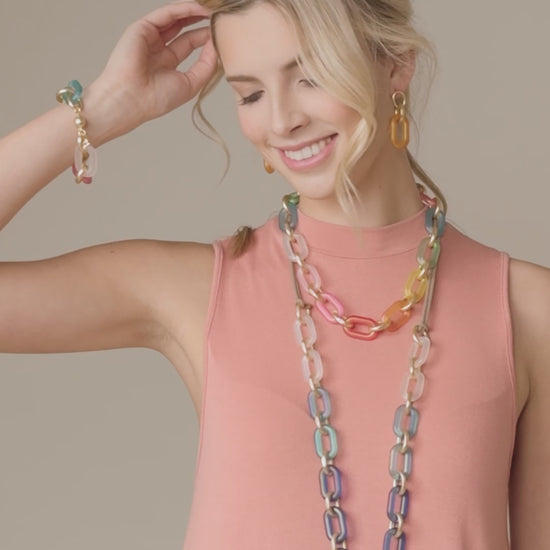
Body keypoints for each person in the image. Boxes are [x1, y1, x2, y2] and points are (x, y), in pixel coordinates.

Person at [0, 0, 548, 549]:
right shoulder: (194, 291)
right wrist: (101, 109)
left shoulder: (526, 310)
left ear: (397, 64)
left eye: (310, 76)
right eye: (251, 95)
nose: (282, 121)